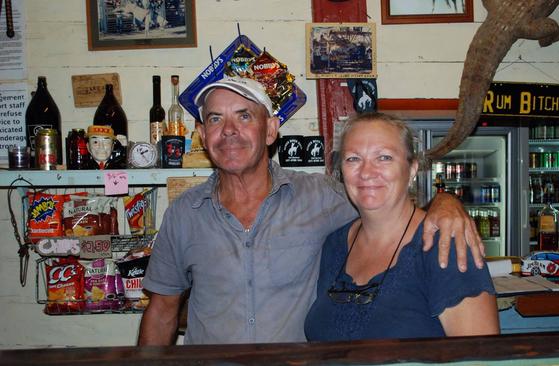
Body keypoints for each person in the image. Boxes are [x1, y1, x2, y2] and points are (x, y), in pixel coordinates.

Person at [138, 77, 485, 345]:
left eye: (245, 116)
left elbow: (384, 200)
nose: (229, 130)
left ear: (271, 129)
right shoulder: (184, 214)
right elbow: (162, 311)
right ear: (202, 134)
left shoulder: (321, 196)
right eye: (216, 118)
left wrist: (446, 201)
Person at [304, 112, 499, 341]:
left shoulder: (445, 243)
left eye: (384, 157)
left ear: (412, 170)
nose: (366, 172)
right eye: (353, 159)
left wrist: (447, 199)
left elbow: (482, 358)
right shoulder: (334, 244)